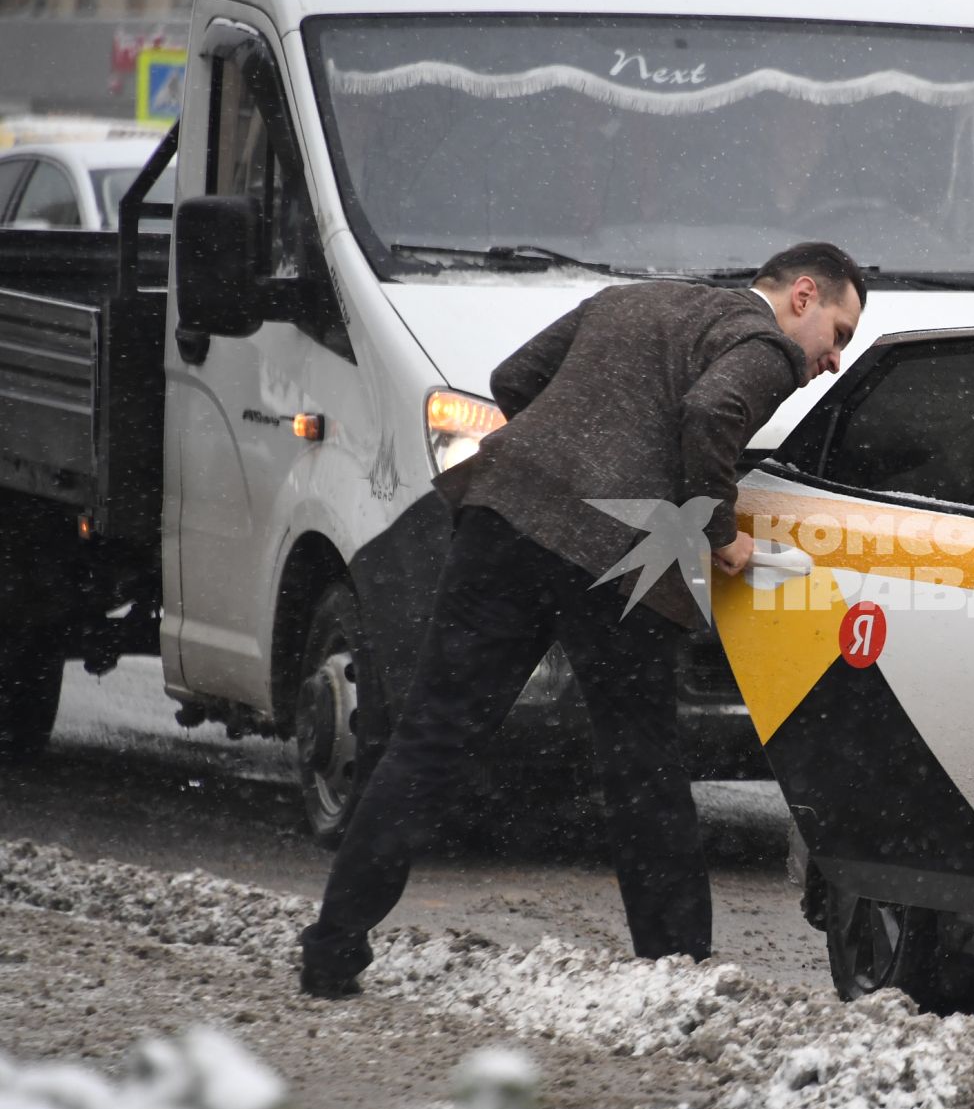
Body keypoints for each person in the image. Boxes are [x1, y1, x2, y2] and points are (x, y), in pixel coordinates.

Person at [298, 242, 866, 997]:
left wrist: (573, 450)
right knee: (642, 763)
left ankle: (333, 946)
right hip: (614, 557)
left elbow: (514, 379)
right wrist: (721, 532)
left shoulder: (635, 297)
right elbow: (712, 410)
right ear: (803, 295)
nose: (831, 360)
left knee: (433, 737)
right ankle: (677, 970)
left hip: (502, 517)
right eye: (839, 334)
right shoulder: (763, 346)